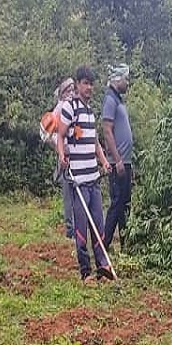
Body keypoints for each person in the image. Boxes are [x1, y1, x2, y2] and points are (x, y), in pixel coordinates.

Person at [57, 66, 114, 284]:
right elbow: (61, 136)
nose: (89, 88)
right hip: (78, 180)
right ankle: (85, 272)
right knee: (81, 228)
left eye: (91, 84)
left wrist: (104, 161)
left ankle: (102, 266)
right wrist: (62, 156)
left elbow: (95, 142)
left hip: (93, 178)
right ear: (78, 85)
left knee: (97, 225)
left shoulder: (90, 111)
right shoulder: (69, 108)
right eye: (85, 83)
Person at [100, 64, 134, 249]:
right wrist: (118, 159)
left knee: (124, 203)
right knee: (116, 203)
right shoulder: (110, 100)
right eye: (125, 79)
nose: (127, 83)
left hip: (125, 162)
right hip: (117, 162)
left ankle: (125, 243)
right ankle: (104, 245)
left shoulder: (118, 99)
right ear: (116, 80)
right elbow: (107, 131)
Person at [42, 78, 76, 239]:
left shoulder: (72, 108)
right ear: (62, 93)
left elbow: (76, 132)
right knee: (69, 194)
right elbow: (47, 134)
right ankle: (71, 229)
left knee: (74, 193)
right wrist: (60, 150)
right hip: (66, 157)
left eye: (72, 89)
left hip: (74, 155)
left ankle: (75, 227)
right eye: (68, 90)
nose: (71, 93)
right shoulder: (59, 109)